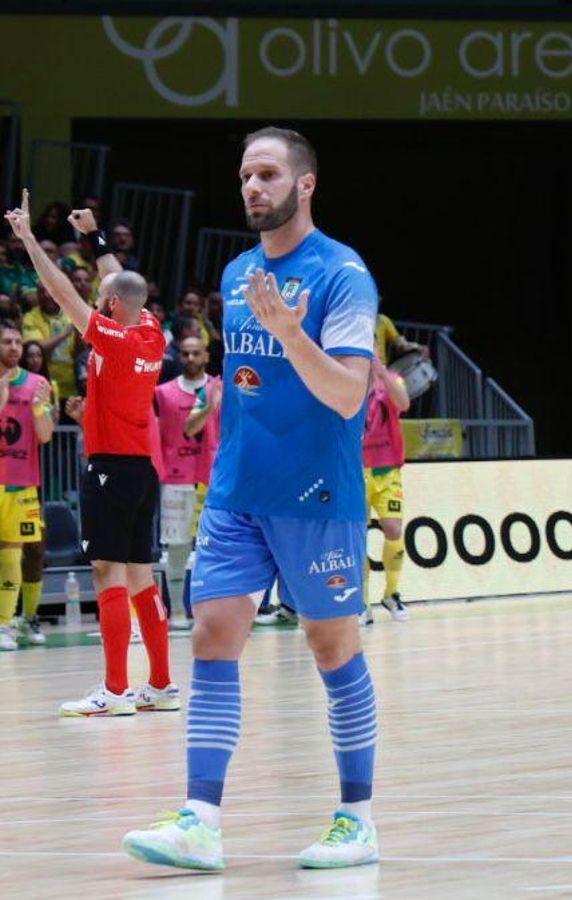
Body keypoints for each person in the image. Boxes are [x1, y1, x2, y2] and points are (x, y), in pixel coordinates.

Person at [121, 127, 384, 871]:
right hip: (237, 491)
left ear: (305, 184)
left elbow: (348, 395)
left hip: (316, 495)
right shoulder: (239, 272)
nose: (253, 187)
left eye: (268, 174)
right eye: (245, 176)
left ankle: (357, 818)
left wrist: (292, 336)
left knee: (331, 646)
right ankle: (200, 819)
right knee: (212, 633)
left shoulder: (343, 275)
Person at [7, 196, 173, 717]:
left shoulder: (116, 339)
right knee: (142, 578)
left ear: (114, 307)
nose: (95, 301)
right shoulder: (151, 331)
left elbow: (61, 291)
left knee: (107, 574)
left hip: (110, 471)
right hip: (140, 471)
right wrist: (94, 235)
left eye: (101, 299)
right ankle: (161, 685)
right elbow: (119, 279)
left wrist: (28, 239)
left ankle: (116, 691)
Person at [153, 336, 222, 630]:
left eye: (196, 353)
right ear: (179, 357)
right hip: (176, 478)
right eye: (185, 353)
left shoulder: (220, 389)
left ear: (206, 356)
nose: (191, 358)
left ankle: (214, 611)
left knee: (216, 547)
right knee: (178, 546)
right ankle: (178, 610)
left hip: (214, 478)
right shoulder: (162, 393)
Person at [0, 325, 49, 650]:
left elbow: (45, 435)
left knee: (16, 550)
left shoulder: (37, 384)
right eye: (7, 342)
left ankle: (9, 623)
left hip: (20, 483)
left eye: (18, 341)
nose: (14, 347)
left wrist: (39, 408)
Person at [361, 366, 411, 624]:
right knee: (356, 536)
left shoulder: (393, 379)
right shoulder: (347, 376)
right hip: (356, 470)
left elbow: (404, 403)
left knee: (393, 528)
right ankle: (362, 603)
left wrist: (379, 372)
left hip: (387, 469)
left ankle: (391, 594)